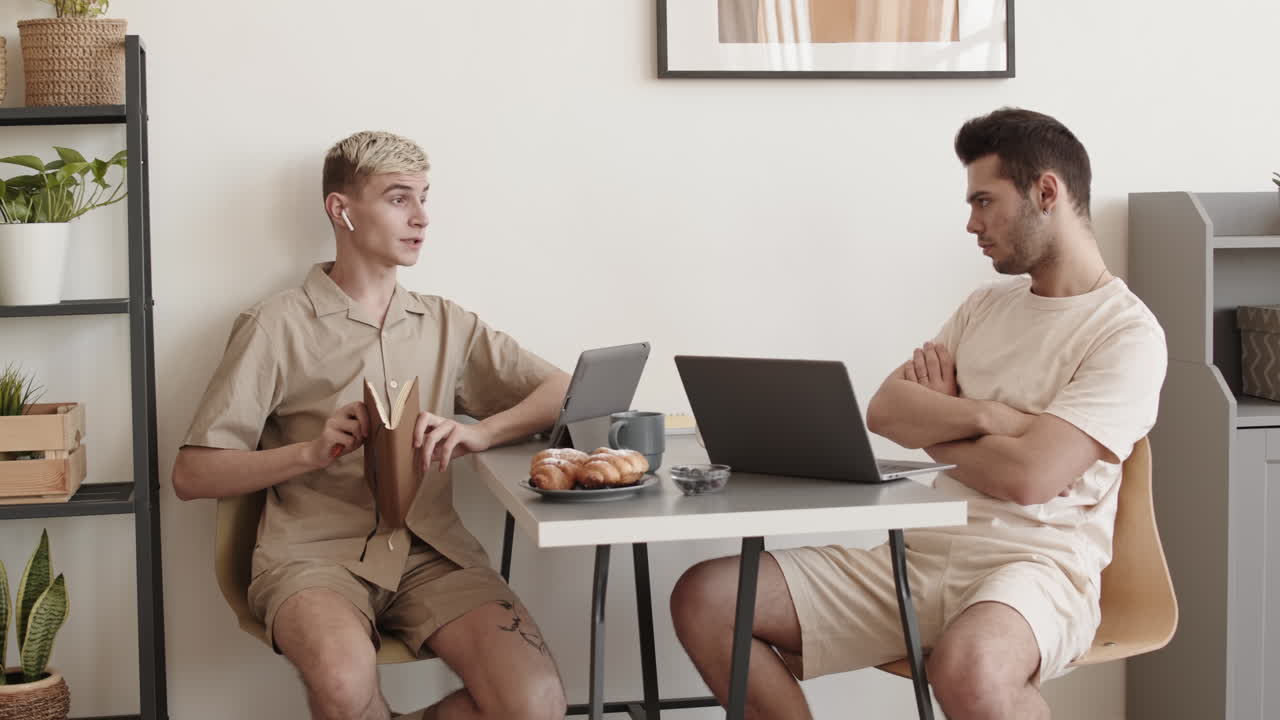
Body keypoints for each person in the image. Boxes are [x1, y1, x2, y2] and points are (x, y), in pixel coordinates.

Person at [669, 108, 1167, 720]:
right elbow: (886, 411)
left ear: (1046, 192)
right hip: (919, 555)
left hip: (1037, 570)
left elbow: (1030, 479)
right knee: (708, 598)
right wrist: (988, 416)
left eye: (985, 201)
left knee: (970, 668)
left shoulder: (1126, 334)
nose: (971, 224)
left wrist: (942, 422)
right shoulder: (985, 306)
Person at [173, 131, 570, 720]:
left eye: (425, 198)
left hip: (435, 554)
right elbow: (192, 474)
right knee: (342, 686)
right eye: (398, 198)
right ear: (342, 210)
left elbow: (563, 390)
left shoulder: (445, 322)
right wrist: (311, 452)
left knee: (535, 706)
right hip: (311, 557)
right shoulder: (274, 324)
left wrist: (481, 432)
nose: (422, 218)